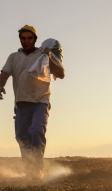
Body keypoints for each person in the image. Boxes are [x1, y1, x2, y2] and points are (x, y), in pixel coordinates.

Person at [0, 25, 65, 179]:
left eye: (30, 38)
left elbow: (61, 74)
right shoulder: (13, 57)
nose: (27, 41)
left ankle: (37, 169)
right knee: (22, 136)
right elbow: (4, 73)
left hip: (41, 101)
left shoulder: (42, 54)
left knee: (36, 130)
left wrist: (49, 57)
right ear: (20, 40)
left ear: (35, 39)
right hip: (22, 102)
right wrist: (0, 86)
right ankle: (29, 169)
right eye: (24, 38)